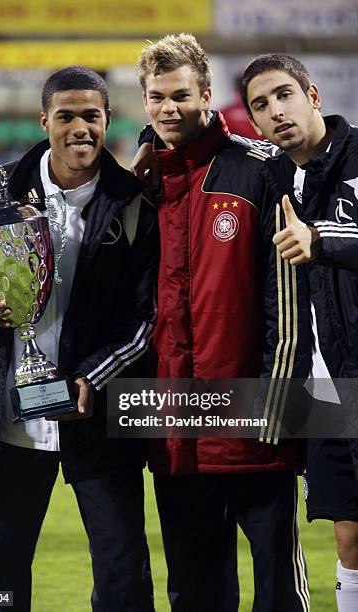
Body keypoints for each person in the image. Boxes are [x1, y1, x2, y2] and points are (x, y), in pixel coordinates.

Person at [0, 65, 158, 612]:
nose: (79, 128)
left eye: (91, 115)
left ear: (108, 119)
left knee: (122, 576)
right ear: (45, 120)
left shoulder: (134, 204)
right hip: (9, 416)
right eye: (65, 116)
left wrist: (95, 375)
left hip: (97, 416)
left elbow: (146, 317)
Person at [133, 34, 310, 612]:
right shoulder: (142, 186)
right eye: (156, 97)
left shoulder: (259, 171)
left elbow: (286, 299)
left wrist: (279, 402)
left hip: (255, 420)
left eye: (181, 95)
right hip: (174, 425)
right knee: (192, 591)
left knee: (277, 591)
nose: (168, 109)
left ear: (206, 94)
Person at [239, 52, 358, 612]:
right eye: (260, 105)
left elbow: (330, 240)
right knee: (350, 537)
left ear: (313, 94)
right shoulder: (275, 175)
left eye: (284, 94)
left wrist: (322, 242)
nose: (275, 111)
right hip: (324, 392)